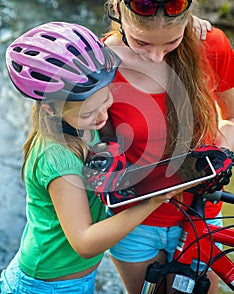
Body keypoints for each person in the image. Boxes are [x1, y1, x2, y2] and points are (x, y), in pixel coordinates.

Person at [0, 21, 184, 294]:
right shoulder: (57, 159)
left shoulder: (84, 127)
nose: (102, 118)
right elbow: (84, 242)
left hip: (73, 280)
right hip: (45, 286)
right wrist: (153, 200)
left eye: (106, 103)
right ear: (52, 109)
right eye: (89, 113)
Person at [100, 0, 234, 293]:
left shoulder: (213, 46)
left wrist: (225, 143)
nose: (157, 55)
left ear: (189, 17)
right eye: (142, 44)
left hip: (204, 208)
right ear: (117, 10)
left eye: (171, 41)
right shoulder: (98, 65)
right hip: (136, 221)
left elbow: (232, 118)